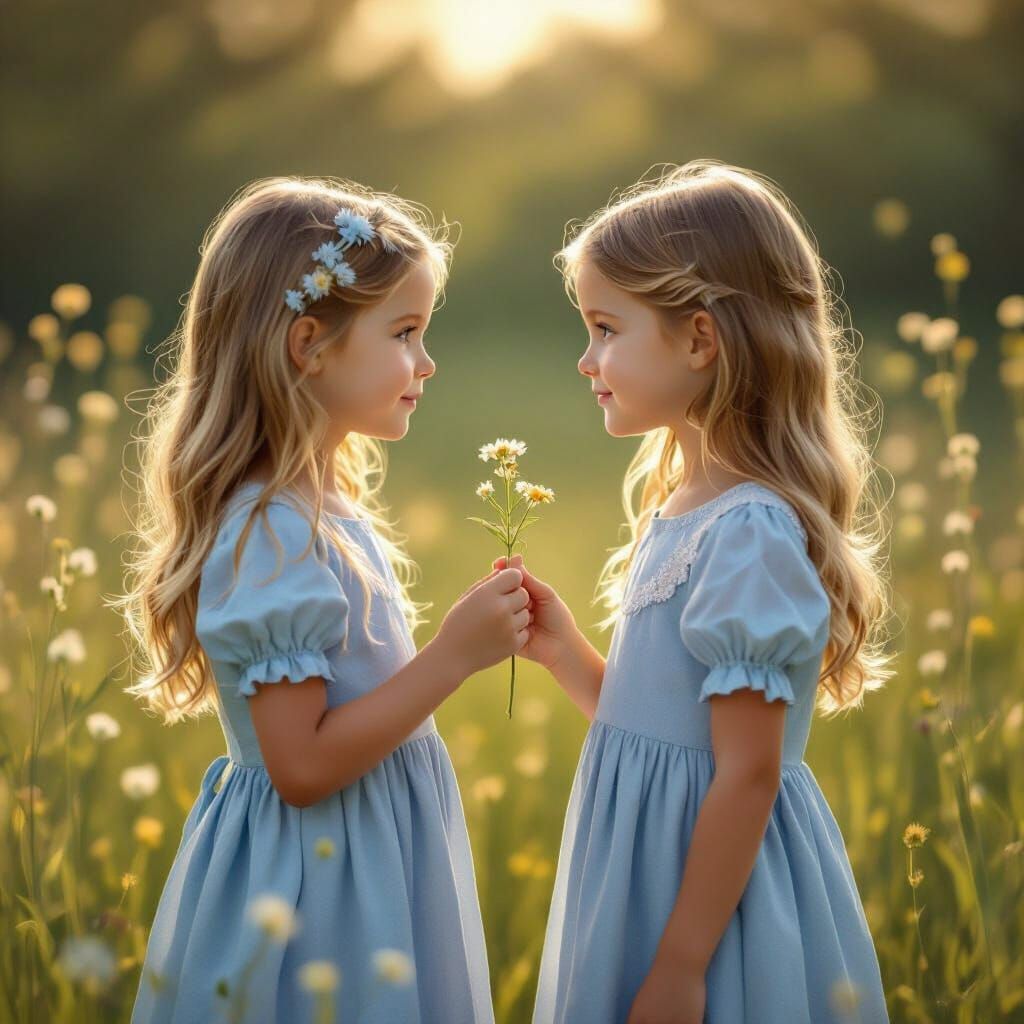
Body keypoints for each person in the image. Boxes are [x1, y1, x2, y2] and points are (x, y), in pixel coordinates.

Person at [118, 177, 528, 1023]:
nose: (427, 362)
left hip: (364, 859)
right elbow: (300, 767)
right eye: (405, 333)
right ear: (309, 343)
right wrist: (454, 655)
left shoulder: (321, 508)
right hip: (316, 887)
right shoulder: (271, 529)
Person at [500, 160, 893, 1024]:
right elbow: (665, 728)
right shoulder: (686, 505)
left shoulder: (748, 533)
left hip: (717, 914)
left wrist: (681, 965)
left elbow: (747, 773)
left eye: (606, 328)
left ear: (699, 340)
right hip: (654, 873)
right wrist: (565, 651)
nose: (585, 358)